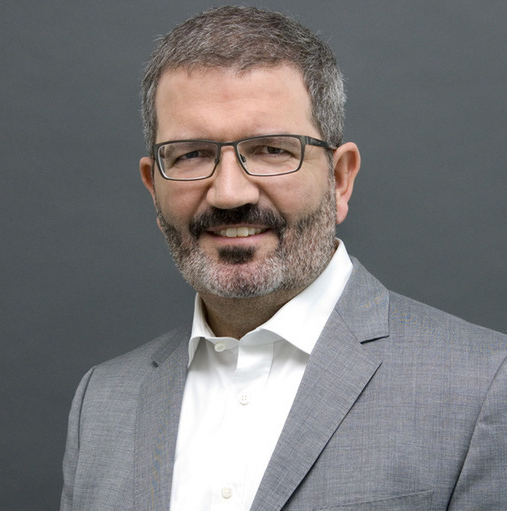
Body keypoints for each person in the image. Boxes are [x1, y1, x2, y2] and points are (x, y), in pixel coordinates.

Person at [60, 6, 507, 510]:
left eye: (272, 149)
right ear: (153, 187)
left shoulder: (485, 387)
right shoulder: (101, 401)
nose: (229, 193)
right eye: (191, 154)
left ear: (340, 178)